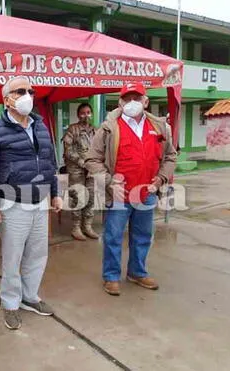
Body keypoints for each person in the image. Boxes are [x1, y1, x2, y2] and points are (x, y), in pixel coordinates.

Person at [0, 76, 63, 331]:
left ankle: (29, 297)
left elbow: (49, 162)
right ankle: (11, 304)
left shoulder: (40, 125)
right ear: (7, 100)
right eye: (20, 91)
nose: (28, 95)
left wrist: (55, 192)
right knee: (13, 258)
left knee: (38, 254)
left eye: (30, 90)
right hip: (12, 202)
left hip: (39, 201)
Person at [84, 82, 176, 296]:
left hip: (147, 193)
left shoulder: (160, 127)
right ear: (120, 102)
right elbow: (91, 159)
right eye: (127, 98)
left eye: (137, 98)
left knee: (143, 235)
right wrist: (109, 182)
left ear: (146, 101)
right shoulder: (109, 128)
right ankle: (111, 276)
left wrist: (161, 178)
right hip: (119, 195)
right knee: (113, 236)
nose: (132, 103)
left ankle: (137, 272)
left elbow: (170, 156)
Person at [62, 103, 100, 241]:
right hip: (76, 168)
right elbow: (68, 150)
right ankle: (76, 227)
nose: (86, 115)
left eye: (89, 112)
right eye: (83, 113)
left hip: (91, 169)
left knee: (90, 196)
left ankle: (87, 226)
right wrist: (81, 162)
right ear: (78, 115)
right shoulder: (72, 129)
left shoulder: (96, 131)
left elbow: (99, 149)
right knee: (78, 196)